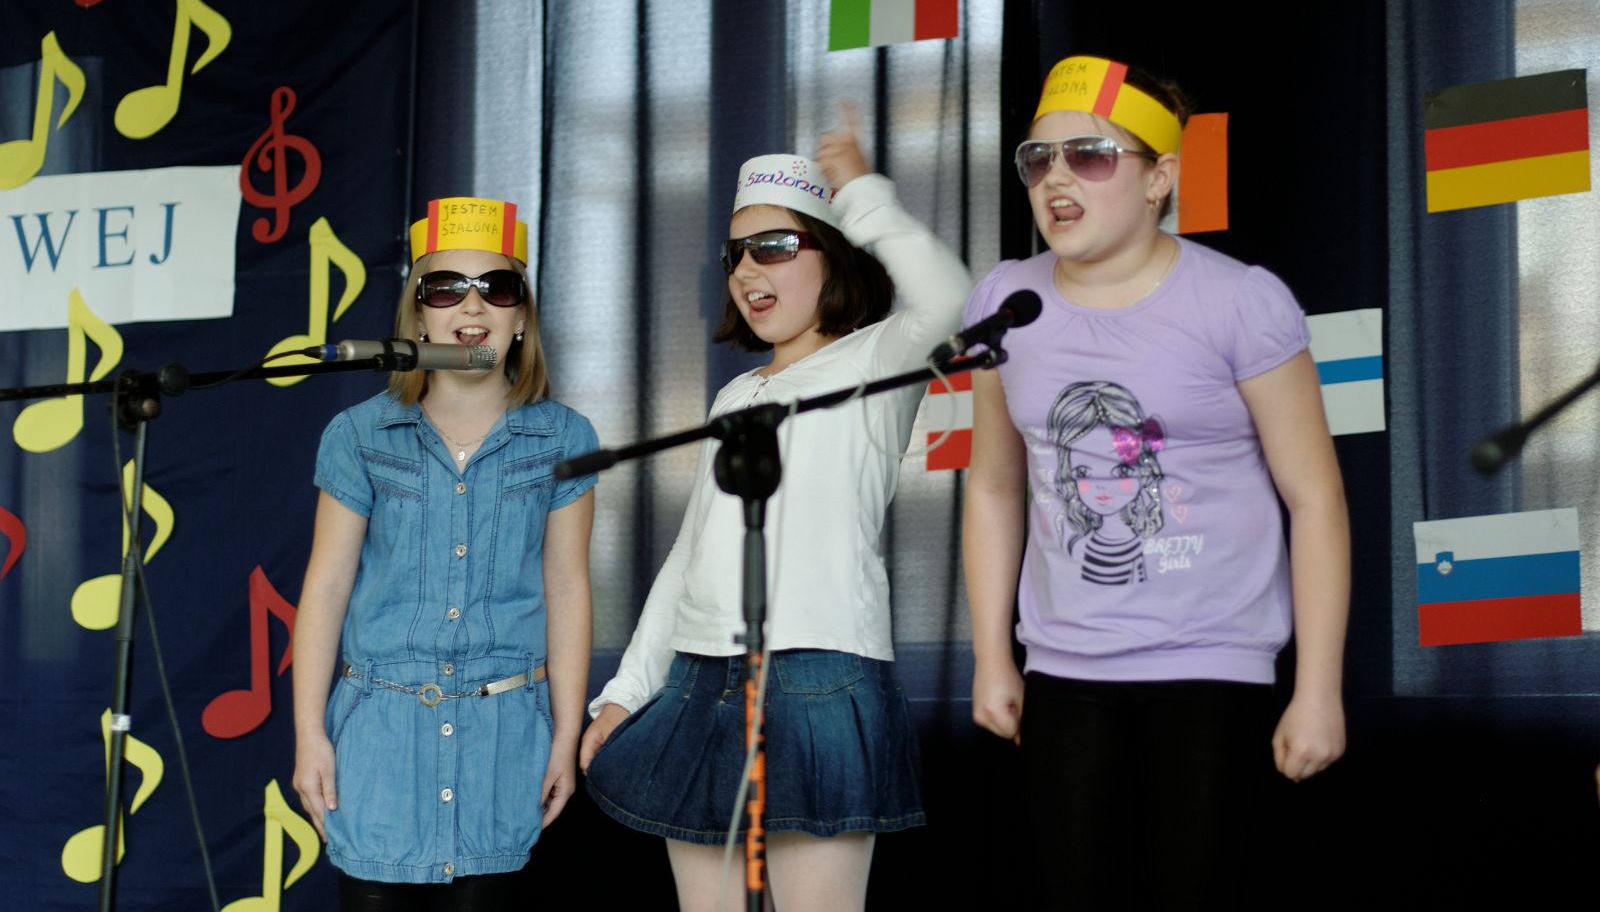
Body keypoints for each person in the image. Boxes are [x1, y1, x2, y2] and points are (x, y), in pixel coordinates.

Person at [962, 56, 1350, 907]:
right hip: (1064, 673)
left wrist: (1319, 688)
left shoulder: (1240, 301)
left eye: (1089, 155)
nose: (1057, 177)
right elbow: (993, 486)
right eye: (1038, 158)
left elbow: (1315, 499)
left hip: (1212, 669)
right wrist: (994, 656)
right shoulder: (1004, 301)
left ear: (1159, 178)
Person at [579, 119, 969, 912]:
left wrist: (862, 191)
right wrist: (625, 690)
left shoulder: (876, 361)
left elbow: (952, 299)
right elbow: (690, 555)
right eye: (737, 254)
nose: (749, 269)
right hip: (700, 677)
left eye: (776, 246)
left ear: (836, 253)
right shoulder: (734, 394)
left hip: (819, 672)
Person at [292, 198, 598, 910]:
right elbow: (327, 587)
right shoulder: (358, 435)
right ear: (418, 316)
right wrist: (309, 734)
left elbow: (568, 588)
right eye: (446, 287)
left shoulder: (564, 437)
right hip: (379, 739)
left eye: (497, 287)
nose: (472, 304)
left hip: (506, 742)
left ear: (521, 318)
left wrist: (564, 735)